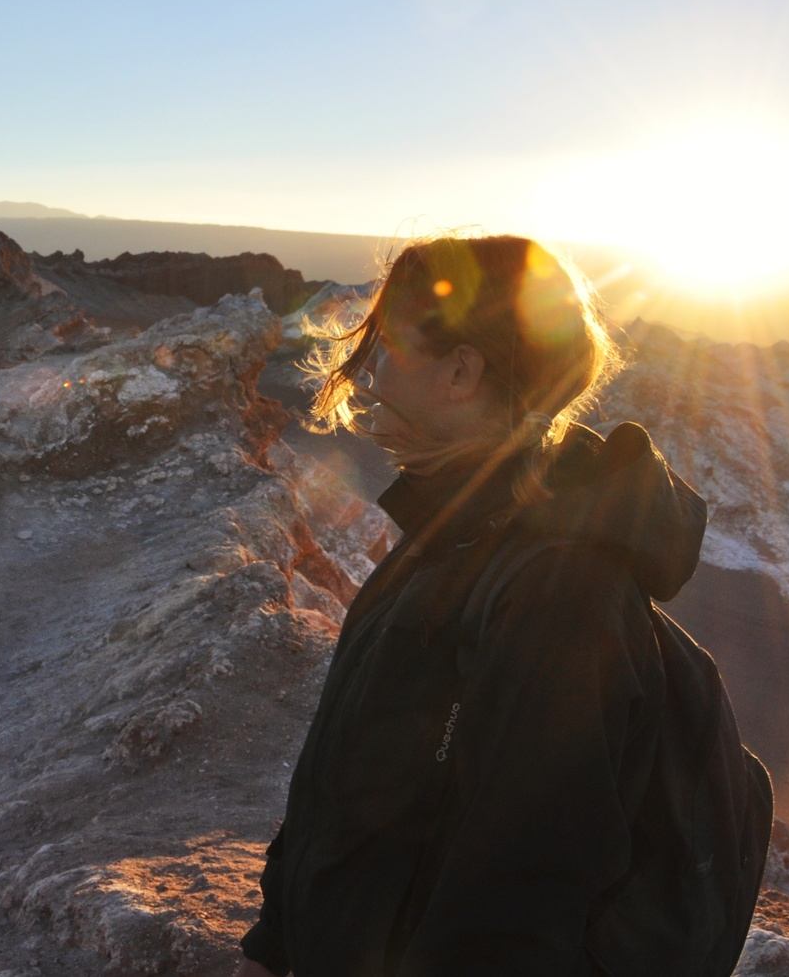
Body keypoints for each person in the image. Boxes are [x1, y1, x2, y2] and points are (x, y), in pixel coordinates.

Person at [234, 234, 709, 976]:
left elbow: (522, 901)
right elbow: (343, 778)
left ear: (460, 371)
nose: (366, 372)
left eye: (386, 347)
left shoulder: (560, 593)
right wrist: (274, 944)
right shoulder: (446, 536)